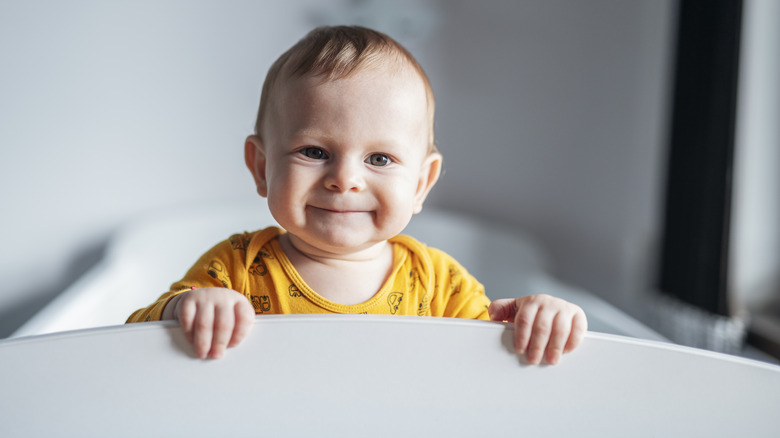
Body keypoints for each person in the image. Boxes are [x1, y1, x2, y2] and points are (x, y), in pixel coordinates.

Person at [127, 25, 587, 365]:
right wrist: (185, 309)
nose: (345, 179)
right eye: (314, 151)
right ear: (262, 167)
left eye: (380, 159)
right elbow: (133, 339)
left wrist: (537, 318)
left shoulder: (437, 283)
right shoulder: (237, 268)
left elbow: (489, 362)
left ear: (421, 184)